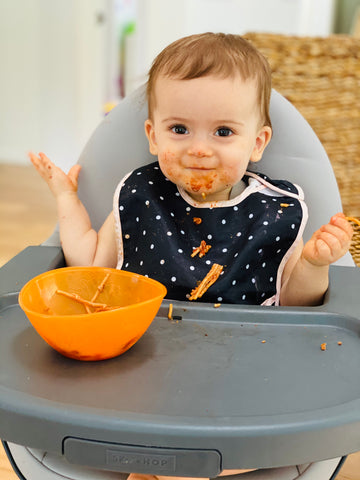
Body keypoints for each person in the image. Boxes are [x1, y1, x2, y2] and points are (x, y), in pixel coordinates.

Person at [29, 32, 353, 477]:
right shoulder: (141, 196)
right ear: (153, 135)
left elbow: (296, 304)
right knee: (115, 426)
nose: (199, 149)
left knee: (257, 446)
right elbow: (89, 267)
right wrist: (67, 200)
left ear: (257, 143)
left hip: (245, 367)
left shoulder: (274, 211)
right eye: (179, 129)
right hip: (140, 363)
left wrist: (315, 263)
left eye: (223, 132)